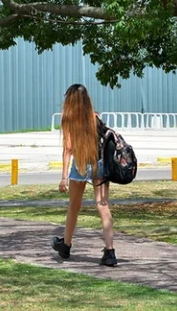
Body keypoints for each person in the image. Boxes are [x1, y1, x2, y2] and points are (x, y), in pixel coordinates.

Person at [51, 84, 117, 266]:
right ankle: (110, 251)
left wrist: (64, 177)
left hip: (80, 165)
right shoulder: (95, 117)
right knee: (103, 207)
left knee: (74, 206)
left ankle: (66, 244)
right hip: (98, 164)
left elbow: (68, 149)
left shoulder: (68, 120)